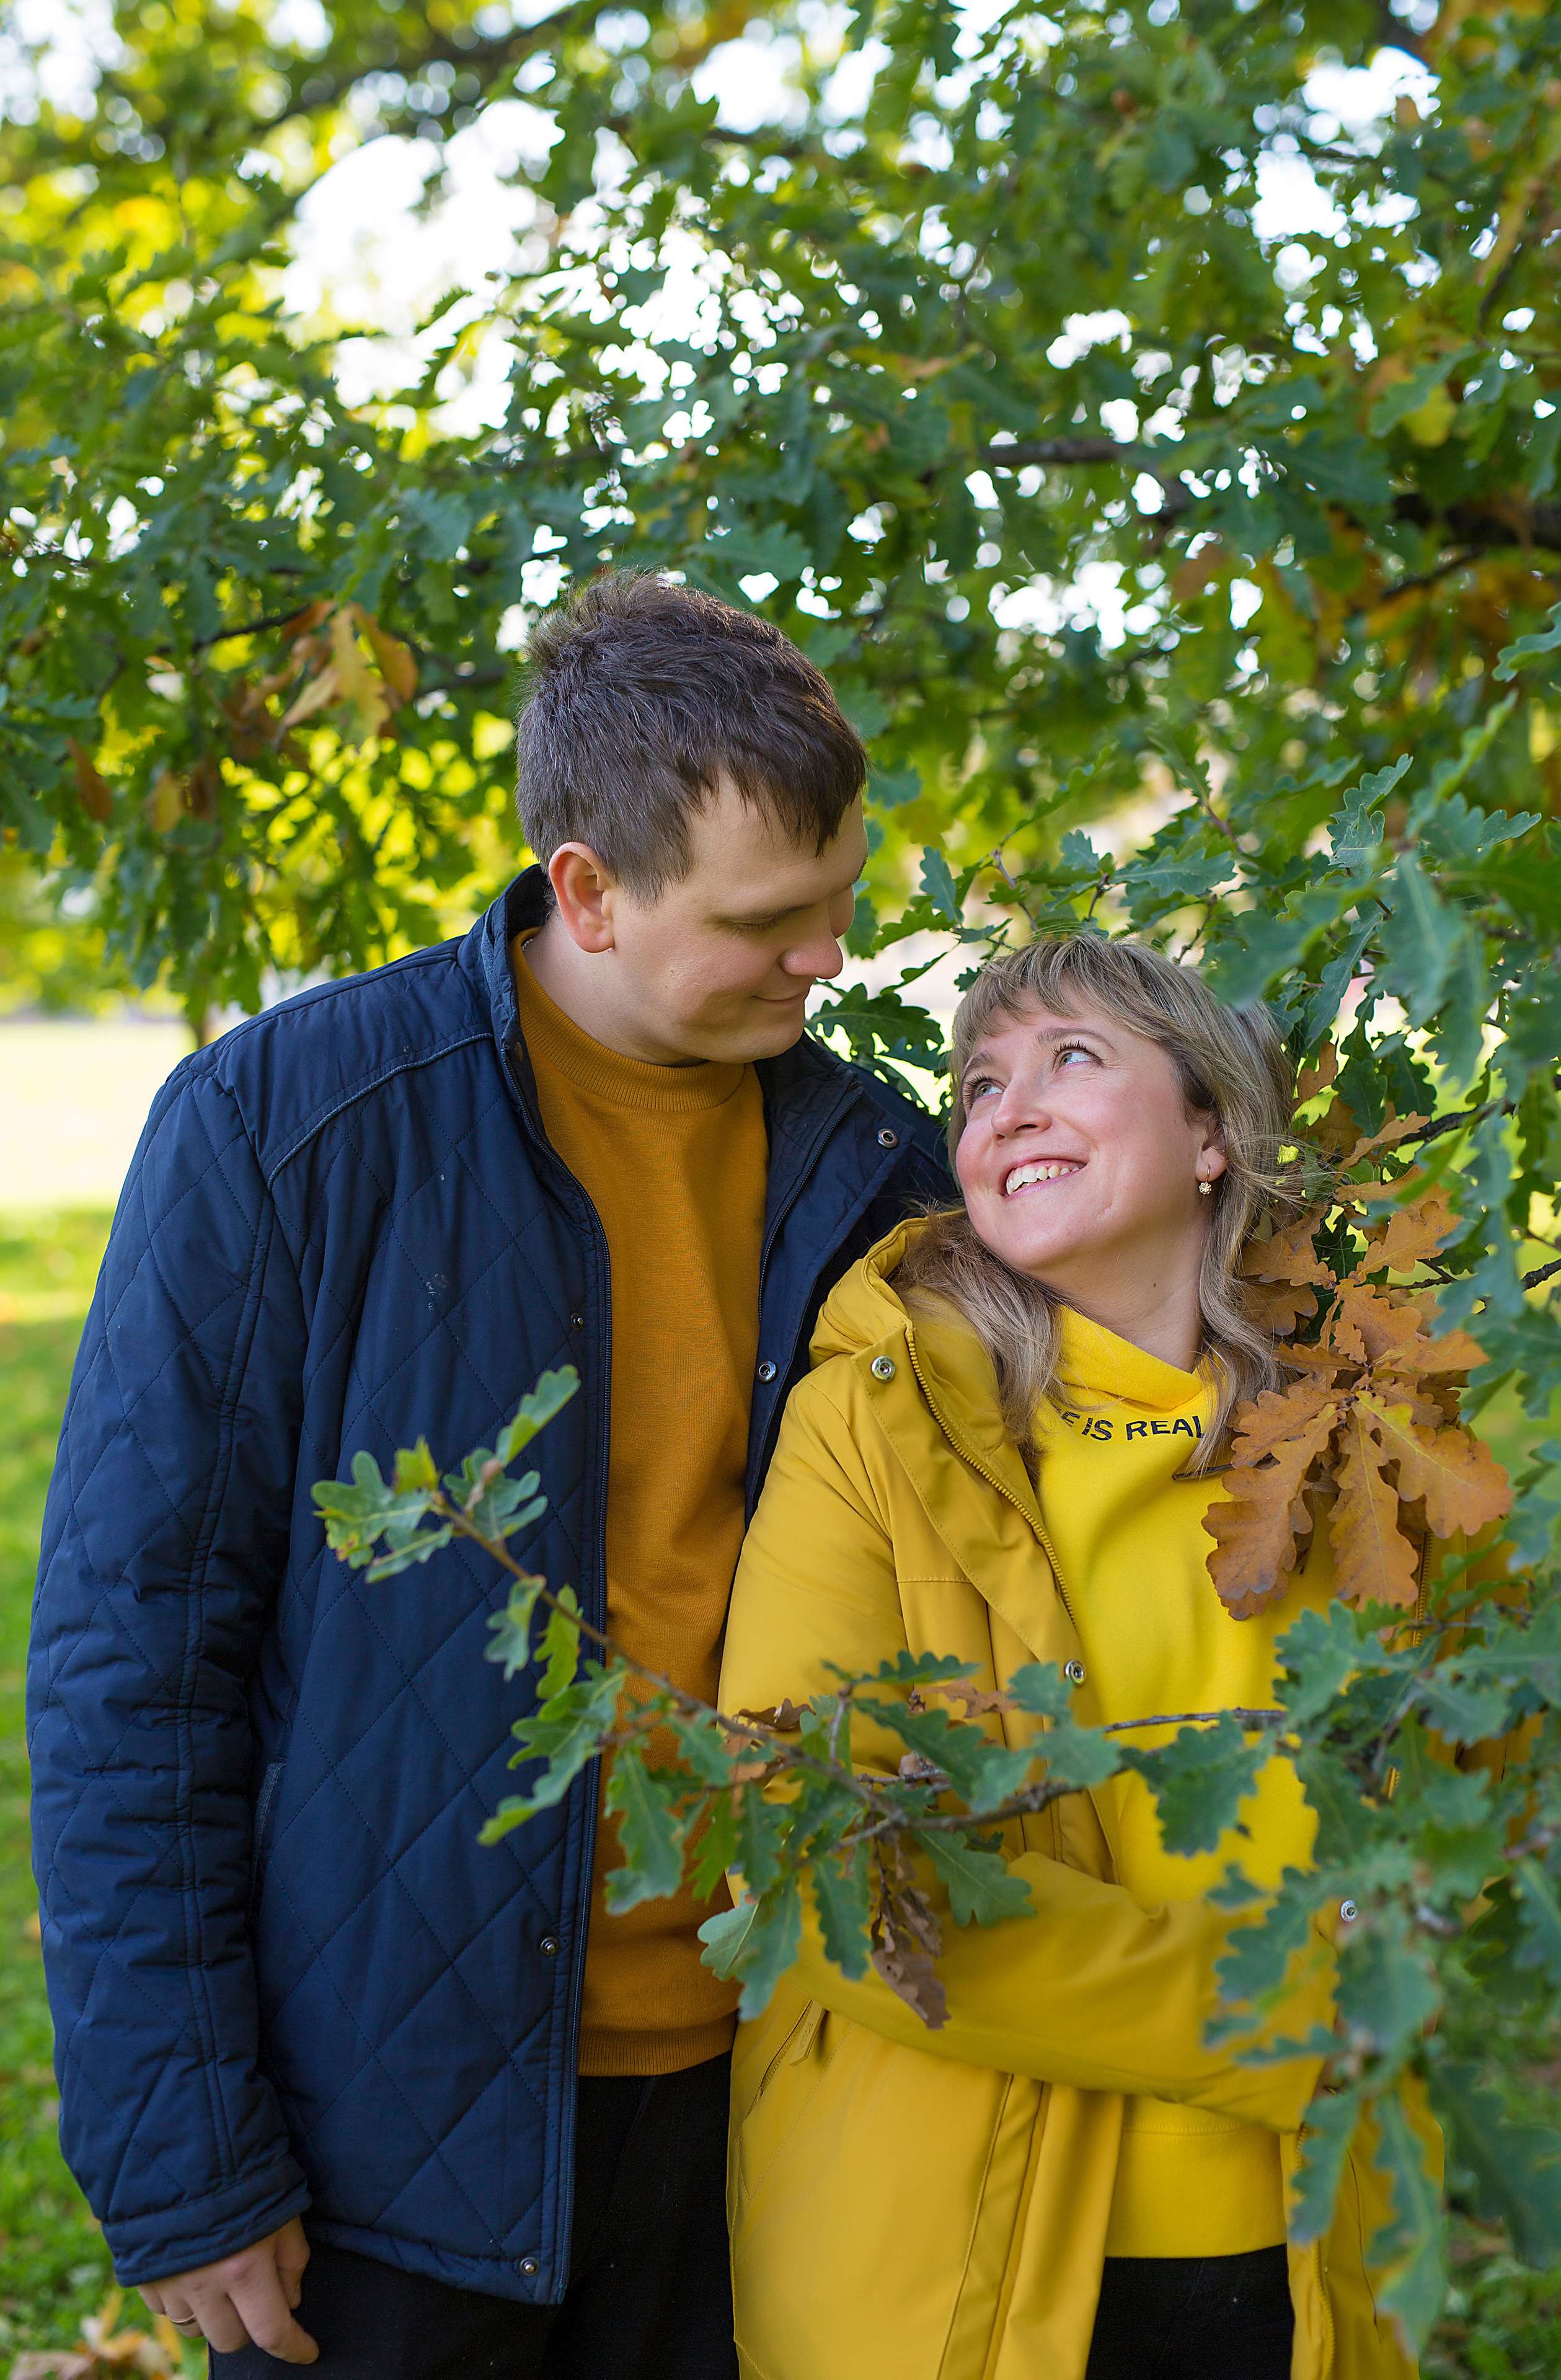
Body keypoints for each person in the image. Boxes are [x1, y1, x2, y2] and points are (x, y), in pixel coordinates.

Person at [29, 574, 951, 2377]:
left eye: (842, 906)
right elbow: (131, 1663)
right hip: (387, 2135)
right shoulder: (288, 1128)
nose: (826, 960)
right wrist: (186, 2151)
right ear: (586, 889)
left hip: (780, 2080)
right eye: (768, 920)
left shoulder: (875, 1167)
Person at [720, 933, 1444, 2380]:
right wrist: (1293, 2008)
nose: (1007, 1109)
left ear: (1209, 1138)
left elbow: (1468, 1776)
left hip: (1309, 2239)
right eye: (978, 1086)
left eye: (1071, 1059)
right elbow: (813, 1846)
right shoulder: (879, 1424)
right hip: (954, 2255)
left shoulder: (1359, 1441)